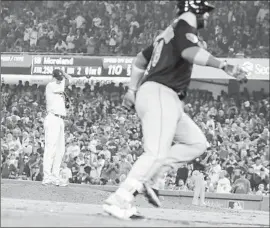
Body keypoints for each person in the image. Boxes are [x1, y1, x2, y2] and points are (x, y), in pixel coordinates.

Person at [103, 0, 248, 220]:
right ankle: (120, 199)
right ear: (194, 9)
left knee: (196, 143)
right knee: (156, 153)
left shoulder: (168, 32)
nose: (207, 16)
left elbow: (140, 60)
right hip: (161, 93)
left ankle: (151, 178)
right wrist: (223, 66)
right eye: (205, 12)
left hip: (163, 97)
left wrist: (132, 90)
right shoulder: (183, 26)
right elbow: (190, 52)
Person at [42, 69, 72, 186]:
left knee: (60, 150)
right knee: (51, 149)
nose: (60, 79)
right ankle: (47, 177)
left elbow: (69, 80)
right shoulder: (51, 85)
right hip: (52, 118)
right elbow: (69, 81)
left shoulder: (59, 85)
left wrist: (63, 73)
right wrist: (64, 76)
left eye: (60, 78)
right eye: (58, 77)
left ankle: (55, 176)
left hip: (60, 119)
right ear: (53, 77)